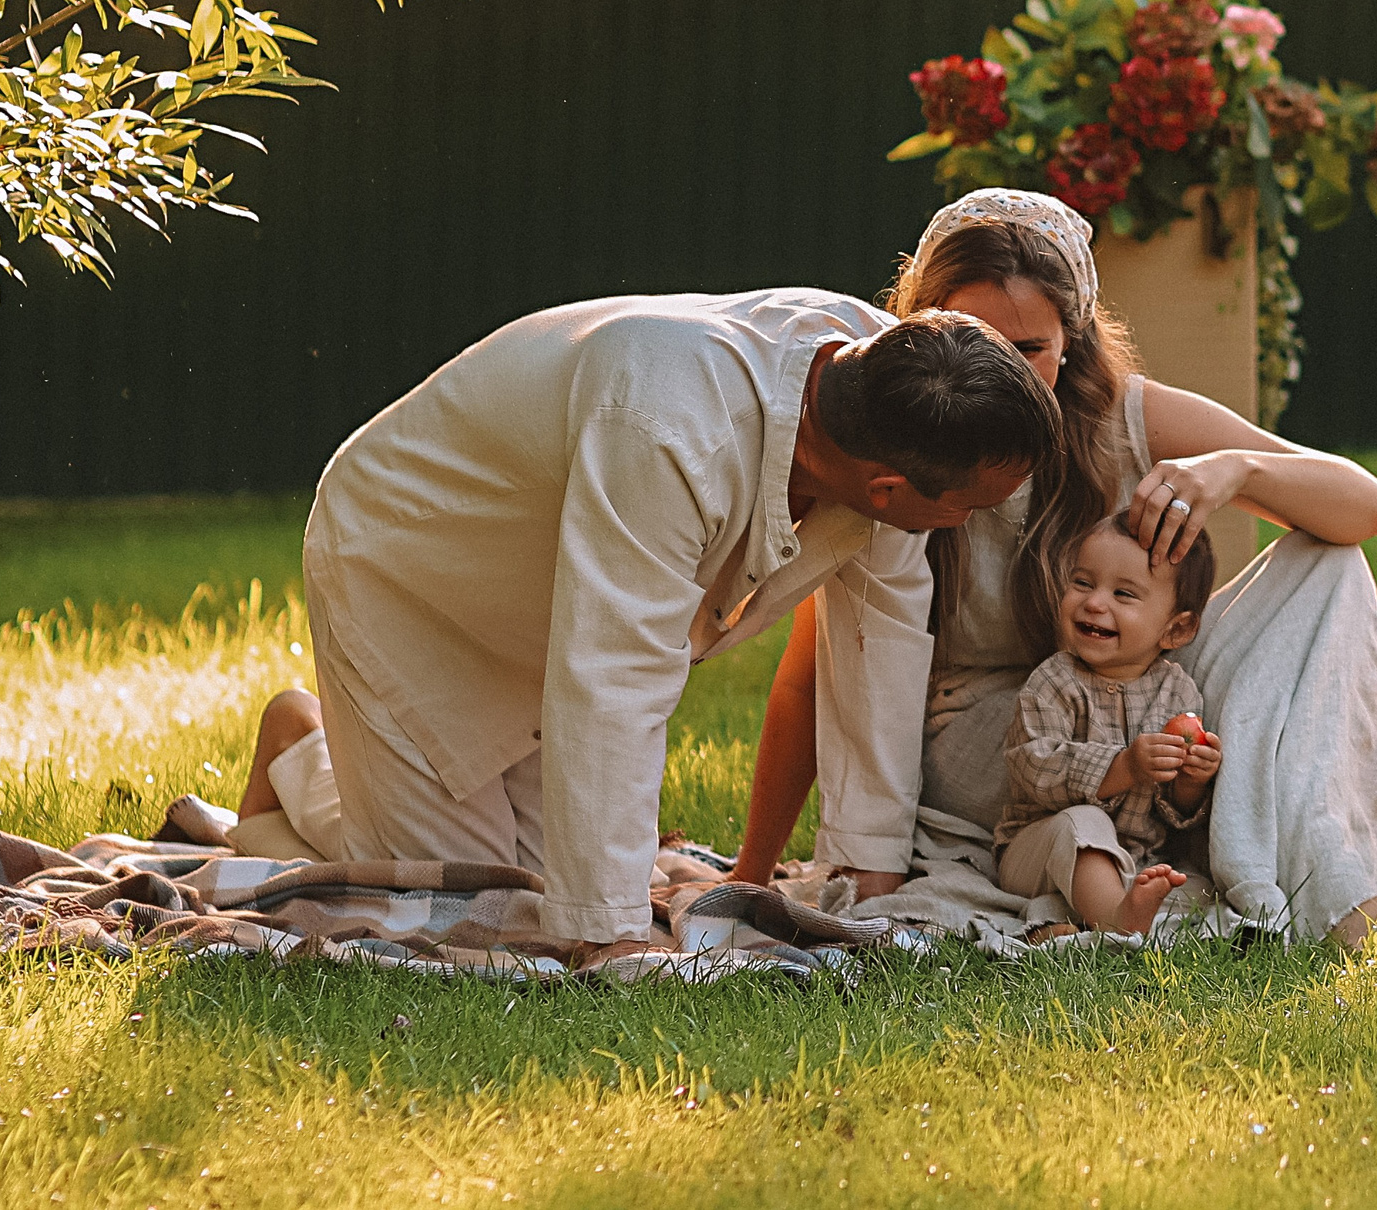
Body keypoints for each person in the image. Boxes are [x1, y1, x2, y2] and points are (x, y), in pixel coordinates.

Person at [231, 291, 1058, 968]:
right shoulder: (671, 428)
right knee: (469, 915)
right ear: (886, 491)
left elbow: (886, 633)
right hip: (410, 571)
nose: (967, 525)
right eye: (969, 508)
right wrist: (613, 935)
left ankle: (327, 771)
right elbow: (616, 678)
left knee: (540, 887)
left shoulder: (894, 388)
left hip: (557, 606)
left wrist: (869, 865)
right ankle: (301, 748)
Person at [730, 190, 1377, 949]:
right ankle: (1244, 855)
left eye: (1029, 348)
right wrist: (751, 871)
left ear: (1073, 338)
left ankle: (1344, 885)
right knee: (1110, 805)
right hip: (1005, 745)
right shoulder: (890, 441)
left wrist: (1236, 470)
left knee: (1328, 564)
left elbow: (1369, 506)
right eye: (974, 339)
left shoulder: (1124, 415)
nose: (1003, 374)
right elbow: (816, 673)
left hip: (1145, 695)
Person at [994, 515, 1222, 936]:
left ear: (1177, 629)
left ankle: (1068, 924)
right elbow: (1034, 768)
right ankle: (1118, 925)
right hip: (1041, 849)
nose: (1095, 603)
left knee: (1200, 890)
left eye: (1123, 593)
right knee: (1083, 824)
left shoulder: (1177, 693)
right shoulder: (1053, 682)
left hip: (1136, 857)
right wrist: (1125, 766)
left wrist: (1192, 781)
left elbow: (1173, 810)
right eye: (1082, 583)